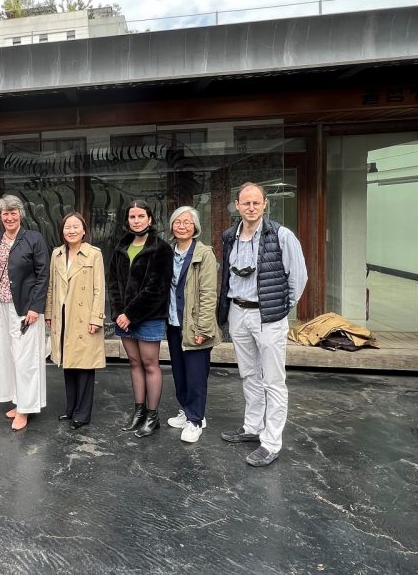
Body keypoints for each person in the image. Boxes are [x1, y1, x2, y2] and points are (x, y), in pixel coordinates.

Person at [216, 182, 308, 467]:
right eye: (246, 203)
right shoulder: (230, 236)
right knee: (249, 374)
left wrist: (281, 307)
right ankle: (252, 428)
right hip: (238, 312)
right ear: (237, 205)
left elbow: (299, 278)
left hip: (268, 315)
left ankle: (270, 443)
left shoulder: (281, 235)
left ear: (265, 204)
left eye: (256, 203)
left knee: (273, 381)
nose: (251, 208)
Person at [108, 200, 172, 438]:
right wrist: (118, 313)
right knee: (134, 364)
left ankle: (153, 416)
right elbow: (113, 283)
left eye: (141, 216)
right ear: (128, 221)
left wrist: (131, 314)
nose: (136, 221)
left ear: (150, 219)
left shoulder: (161, 248)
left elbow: (157, 288)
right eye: (132, 217)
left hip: (148, 317)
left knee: (150, 364)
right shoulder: (120, 247)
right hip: (123, 318)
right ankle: (139, 412)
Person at [0, 194, 49, 431]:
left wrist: (36, 307)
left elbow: (43, 275)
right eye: (5, 213)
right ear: (0, 216)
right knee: (9, 358)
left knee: (26, 360)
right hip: (2, 308)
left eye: (14, 212)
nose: (10, 217)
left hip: (25, 308)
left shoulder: (33, 238)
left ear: (20, 214)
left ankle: (26, 408)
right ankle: (17, 400)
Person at [163, 206, 221, 444]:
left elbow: (209, 294)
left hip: (196, 325)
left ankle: (195, 420)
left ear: (195, 226)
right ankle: (188, 410)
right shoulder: (168, 252)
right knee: (179, 372)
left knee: (196, 374)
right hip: (174, 322)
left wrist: (203, 328)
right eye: (178, 222)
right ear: (172, 226)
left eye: (187, 222)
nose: (182, 226)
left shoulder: (204, 253)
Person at [45, 212, 105, 429]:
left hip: (84, 316)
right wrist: (49, 313)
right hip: (63, 316)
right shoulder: (57, 254)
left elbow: (99, 289)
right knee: (67, 363)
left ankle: (83, 413)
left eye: (75, 226)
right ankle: (70, 408)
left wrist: (96, 317)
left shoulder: (93, 254)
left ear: (84, 230)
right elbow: (51, 286)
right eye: (67, 227)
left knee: (85, 366)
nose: (71, 230)